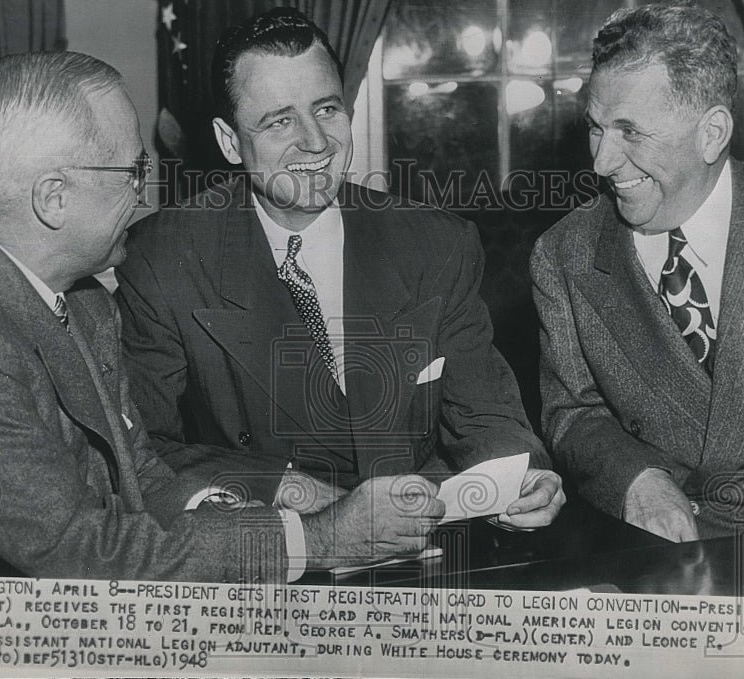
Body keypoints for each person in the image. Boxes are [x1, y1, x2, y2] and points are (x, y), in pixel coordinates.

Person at [0, 51, 444, 583]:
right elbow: (80, 553)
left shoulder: (83, 299)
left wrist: (274, 508)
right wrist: (320, 540)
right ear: (53, 198)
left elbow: (141, 478)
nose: (145, 196)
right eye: (131, 173)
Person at [115, 8, 565, 541]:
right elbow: (142, 451)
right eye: (279, 120)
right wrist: (292, 491)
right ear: (231, 142)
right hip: (277, 557)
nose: (316, 141)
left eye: (326, 108)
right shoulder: (163, 258)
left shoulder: (436, 243)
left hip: (428, 551)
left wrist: (523, 476)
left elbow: (487, 418)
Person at [532, 4, 744, 541]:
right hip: (679, 546)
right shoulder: (564, 255)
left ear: (712, 133)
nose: (602, 162)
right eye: (596, 128)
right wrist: (638, 482)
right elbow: (574, 413)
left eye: (631, 132)